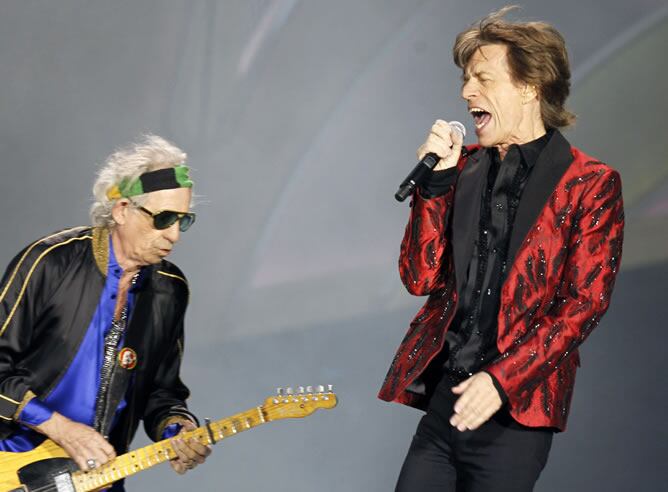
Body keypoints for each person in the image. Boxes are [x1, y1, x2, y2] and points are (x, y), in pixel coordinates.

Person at [378, 7, 624, 491]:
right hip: (448, 398)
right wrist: (435, 186)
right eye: (466, 79)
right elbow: (419, 278)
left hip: (516, 410)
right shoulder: (462, 170)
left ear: (531, 86)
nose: (467, 92)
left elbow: (583, 305)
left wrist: (502, 379)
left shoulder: (588, 184)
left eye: (483, 79)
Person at [0, 135, 210, 489]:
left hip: (97, 480)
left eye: (183, 221)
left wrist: (177, 429)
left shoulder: (171, 290)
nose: (174, 235)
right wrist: (61, 428)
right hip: (13, 468)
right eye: (164, 219)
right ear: (122, 209)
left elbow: (163, 391)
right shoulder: (50, 262)